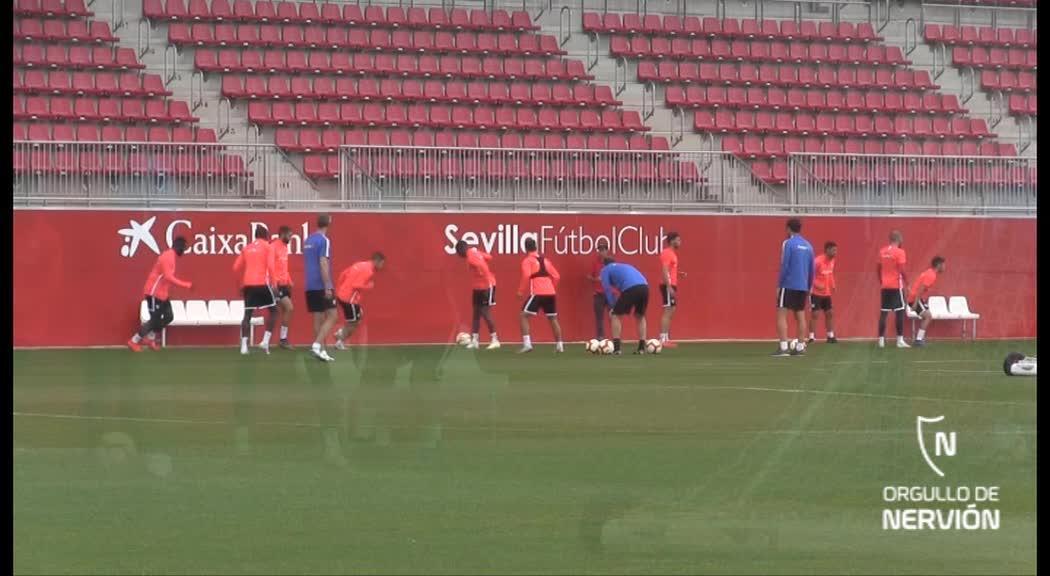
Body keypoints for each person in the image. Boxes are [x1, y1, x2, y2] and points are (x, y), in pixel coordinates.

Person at [127, 236, 192, 352]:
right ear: (178, 246)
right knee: (154, 320)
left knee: (169, 317)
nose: (184, 251)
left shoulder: (172, 257)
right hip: (153, 293)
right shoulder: (167, 257)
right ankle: (134, 340)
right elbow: (168, 277)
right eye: (184, 248)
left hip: (162, 294)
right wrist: (185, 284)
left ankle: (150, 338)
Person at [773, 218, 814, 357]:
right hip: (802, 286)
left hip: (788, 284)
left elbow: (785, 265)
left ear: (788, 229)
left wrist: (779, 285)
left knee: (781, 314)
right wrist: (808, 287)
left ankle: (784, 347)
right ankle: (800, 347)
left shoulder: (788, 243)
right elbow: (811, 269)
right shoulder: (808, 246)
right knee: (800, 316)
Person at [232, 226, 276, 355]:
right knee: (274, 311)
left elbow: (235, 268)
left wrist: (240, 285)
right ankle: (265, 341)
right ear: (266, 235)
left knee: (247, 315)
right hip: (262, 283)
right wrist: (274, 284)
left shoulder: (247, 248)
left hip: (248, 284)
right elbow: (271, 267)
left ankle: (244, 347)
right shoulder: (268, 247)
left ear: (255, 235)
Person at [517, 238, 564, 354]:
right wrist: (551, 288)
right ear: (536, 247)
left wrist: (520, 291)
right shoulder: (546, 260)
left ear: (525, 248)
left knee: (523, 316)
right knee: (553, 318)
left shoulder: (527, 261)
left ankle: (527, 344)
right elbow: (557, 276)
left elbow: (526, 275)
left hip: (538, 293)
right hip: (550, 293)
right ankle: (560, 346)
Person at [333, 252, 386, 350]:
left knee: (357, 317)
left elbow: (343, 274)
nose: (382, 266)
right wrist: (368, 286)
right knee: (354, 323)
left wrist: (338, 290)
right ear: (377, 261)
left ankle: (340, 333)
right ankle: (340, 341)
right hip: (349, 299)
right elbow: (356, 285)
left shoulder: (359, 264)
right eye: (382, 263)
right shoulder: (369, 271)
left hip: (342, 296)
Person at [303, 214, 337, 362]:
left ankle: (321, 351)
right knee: (333, 316)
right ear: (328, 223)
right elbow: (323, 263)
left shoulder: (308, 240)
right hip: (320, 284)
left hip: (309, 285)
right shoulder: (324, 240)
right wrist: (328, 286)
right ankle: (317, 345)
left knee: (318, 318)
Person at [455, 239, 500, 350]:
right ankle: (475, 341)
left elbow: (483, 267)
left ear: (461, 250)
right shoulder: (475, 252)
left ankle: (495, 340)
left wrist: (482, 275)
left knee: (485, 312)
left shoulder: (470, 257)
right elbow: (489, 257)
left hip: (487, 286)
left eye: (458, 253)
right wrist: (480, 256)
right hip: (478, 287)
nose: (459, 255)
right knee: (476, 313)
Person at [599, 259, 650, 355]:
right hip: (645, 287)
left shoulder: (605, 270)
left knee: (615, 316)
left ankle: (617, 349)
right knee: (640, 316)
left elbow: (607, 289)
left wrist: (612, 306)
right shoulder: (624, 265)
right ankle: (641, 348)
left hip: (630, 288)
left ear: (604, 265)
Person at [877, 230, 909, 349]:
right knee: (900, 311)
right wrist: (908, 283)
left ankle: (881, 341)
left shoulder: (882, 251)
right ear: (899, 239)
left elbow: (878, 268)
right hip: (896, 286)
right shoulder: (900, 252)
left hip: (885, 286)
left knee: (884, 312)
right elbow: (902, 269)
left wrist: (881, 280)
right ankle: (899, 340)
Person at [908, 256, 946, 347]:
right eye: (944, 265)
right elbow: (921, 289)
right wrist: (915, 303)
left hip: (916, 298)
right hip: (915, 299)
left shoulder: (929, 272)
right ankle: (918, 340)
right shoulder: (931, 275)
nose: (945, 267)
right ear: (938, 265)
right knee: (928, 316)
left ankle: (919, 339)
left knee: (927, 316)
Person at [808, 241, 838, 344]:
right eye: (833, 250)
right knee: (815, 314)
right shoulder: (817, 261)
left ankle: (830, 336)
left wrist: (833, 284)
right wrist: (816, 284)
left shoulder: (832, 260)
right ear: (827, 250)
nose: (835, 252)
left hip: (827, 293)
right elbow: (809, 275)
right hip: (816, 293)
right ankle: (811, 337)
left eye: (836, 250)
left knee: (829, 313)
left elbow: (830, 274)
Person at [270, 225, 294, 349]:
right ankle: (282, 340)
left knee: (283, 311)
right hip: (277, 285)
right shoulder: (273, 247)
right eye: (289, 235)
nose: (291, 238)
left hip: (285, 284)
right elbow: (271, 267)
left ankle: (279, 340)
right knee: (288, 308)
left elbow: (284, 267)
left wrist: (289, 281)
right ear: (283, 234)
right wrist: (274, 283)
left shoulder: (285, 247)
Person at [658, 232, 683, 348]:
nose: (680, 242)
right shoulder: (667, 253)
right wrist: (668, 286)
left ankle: (666, 338)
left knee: (671, 311)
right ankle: (662, 339)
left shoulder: (672, 254)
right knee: (668, 311)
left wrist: (678, 274)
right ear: (672, 241)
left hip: (671, 284)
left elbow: (670, 270)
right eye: (678, 240)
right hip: (668, 285)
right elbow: (664, 270)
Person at [587, 240, 611, 340]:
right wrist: (596, 279)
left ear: (607, 250)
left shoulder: (611, 262)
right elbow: (588, 276)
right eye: (600, 250)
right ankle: (600, 337)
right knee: (599, 317)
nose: (601, 252)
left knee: (613, 316)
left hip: (610, 293)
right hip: (598, 293)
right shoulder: (595, 262)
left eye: (603, 250)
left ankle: (616, 337)